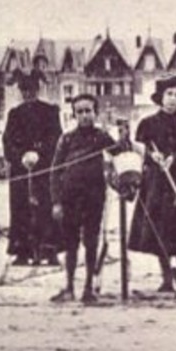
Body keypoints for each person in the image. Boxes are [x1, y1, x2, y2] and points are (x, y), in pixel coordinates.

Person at [128, 74, 176, 295]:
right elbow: (139, 149)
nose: (173, 99)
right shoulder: (147, 124)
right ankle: (167, 279)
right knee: (160, 229)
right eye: (169, 94)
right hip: (155, 184)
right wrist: (152, 156)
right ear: (160, 97)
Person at [49, 94, 117, 303]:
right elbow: (55, 171)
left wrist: (124, 137)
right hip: (70, 198)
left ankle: (88, 288)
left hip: (94, 198)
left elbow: (121, 153)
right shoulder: (67, 139)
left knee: (91, 242)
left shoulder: (102, 137)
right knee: (70, 244)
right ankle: (69, 287)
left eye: (88, 111)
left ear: (95, 113)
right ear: (74, 115)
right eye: (80, 112)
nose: (85, 115)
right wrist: (57, 202)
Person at [2, 69, 62, 265]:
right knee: (21, 208)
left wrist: (41, 154)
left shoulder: (50, 111)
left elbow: (56, 139)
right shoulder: (14, 114)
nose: (28, 94)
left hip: (44, 169)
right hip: (21, 170)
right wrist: (20, 157)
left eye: (31, 90)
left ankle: (49, 250)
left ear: (37, 90)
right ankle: (22, 251)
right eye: (24, 90)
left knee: (46, 207)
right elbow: (8, 141)